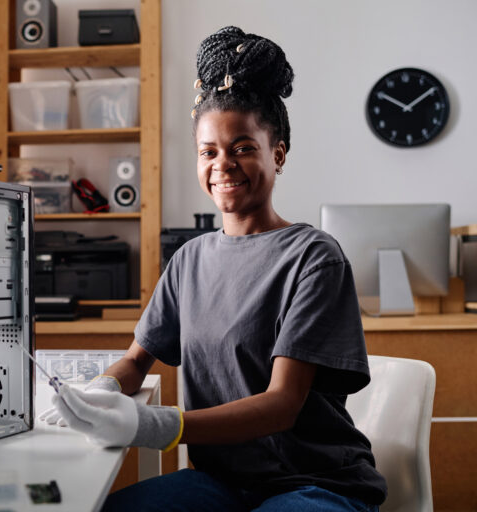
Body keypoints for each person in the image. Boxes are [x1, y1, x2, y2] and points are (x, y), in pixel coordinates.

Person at [41, 26, 387, 511]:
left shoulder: (313, 257)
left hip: (314, 483)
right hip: (219, 482)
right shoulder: (189, 260)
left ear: (278, 153)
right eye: (209, 151)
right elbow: (137, 360)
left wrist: (153, 425)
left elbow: (283, 404)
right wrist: (101, 389)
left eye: (243, 147)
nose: (223, 164)